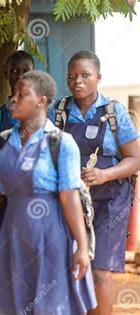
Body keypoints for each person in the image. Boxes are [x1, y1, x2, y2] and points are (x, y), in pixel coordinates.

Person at [0, 70, 97, 314]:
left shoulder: (61, 143)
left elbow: (70, 198)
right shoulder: (2, 142)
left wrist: (82, 246)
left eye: (22, 95)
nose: (13, 99)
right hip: (12, 237)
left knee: (49, 307)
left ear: (42, 101)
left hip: (52, 236)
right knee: (14, 305)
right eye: (13, 94)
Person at [48, 51, 140, 314]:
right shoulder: (58, 112)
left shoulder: (115, 113)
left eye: (85, 75)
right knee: (70, 267)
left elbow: (135, 160)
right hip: (70, 198)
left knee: (99, 270)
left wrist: (104, 175)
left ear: (98, 78)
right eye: (72, 76)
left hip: (111, 199)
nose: (78, 81)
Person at [0, 50, 35, 256]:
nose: (20, 76)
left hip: (36, 197)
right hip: (4, 196)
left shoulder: (47, 113)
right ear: (6, 74)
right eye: (14, 71)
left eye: (26, 71)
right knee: (5, 252)